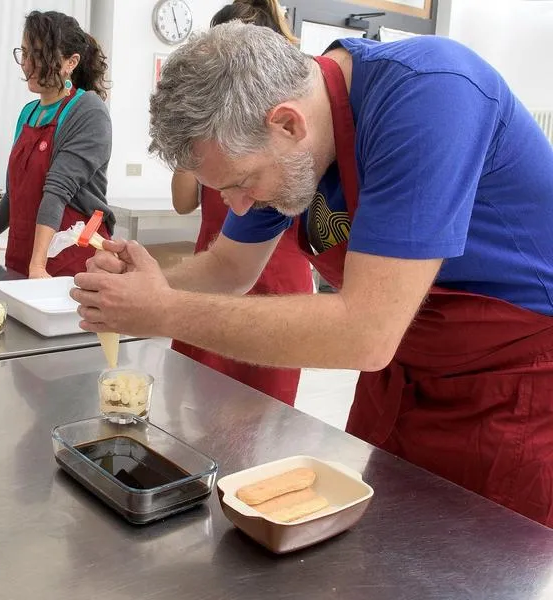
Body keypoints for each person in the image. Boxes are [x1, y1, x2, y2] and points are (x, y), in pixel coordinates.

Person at [72, 23, 553, 526]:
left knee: (479, 552)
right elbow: (229, 267)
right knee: (381, 537)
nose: (238, 206)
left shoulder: (431, 97)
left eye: (242, 182)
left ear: (288, 124)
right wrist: (143, 283)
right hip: (403, 373)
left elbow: (365, 332)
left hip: (511, 384)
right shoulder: (288, 137)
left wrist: (165, 311)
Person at [170, 0, 312, 405]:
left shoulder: (287, 139)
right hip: (213, 271)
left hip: (274, 283)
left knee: (261, 414)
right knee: (192, 402)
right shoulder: (215, 138)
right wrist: (192, 139)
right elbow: (183, 202)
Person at [0, 10, 114, 279]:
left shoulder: (87, 111)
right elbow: (15, 194)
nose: (28, 65)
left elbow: (57, 190)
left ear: (71, 62)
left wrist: (37, 266)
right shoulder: (29, 113)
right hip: (24, 253)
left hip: (70, 257)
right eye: (25, 53)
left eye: (39, 55)